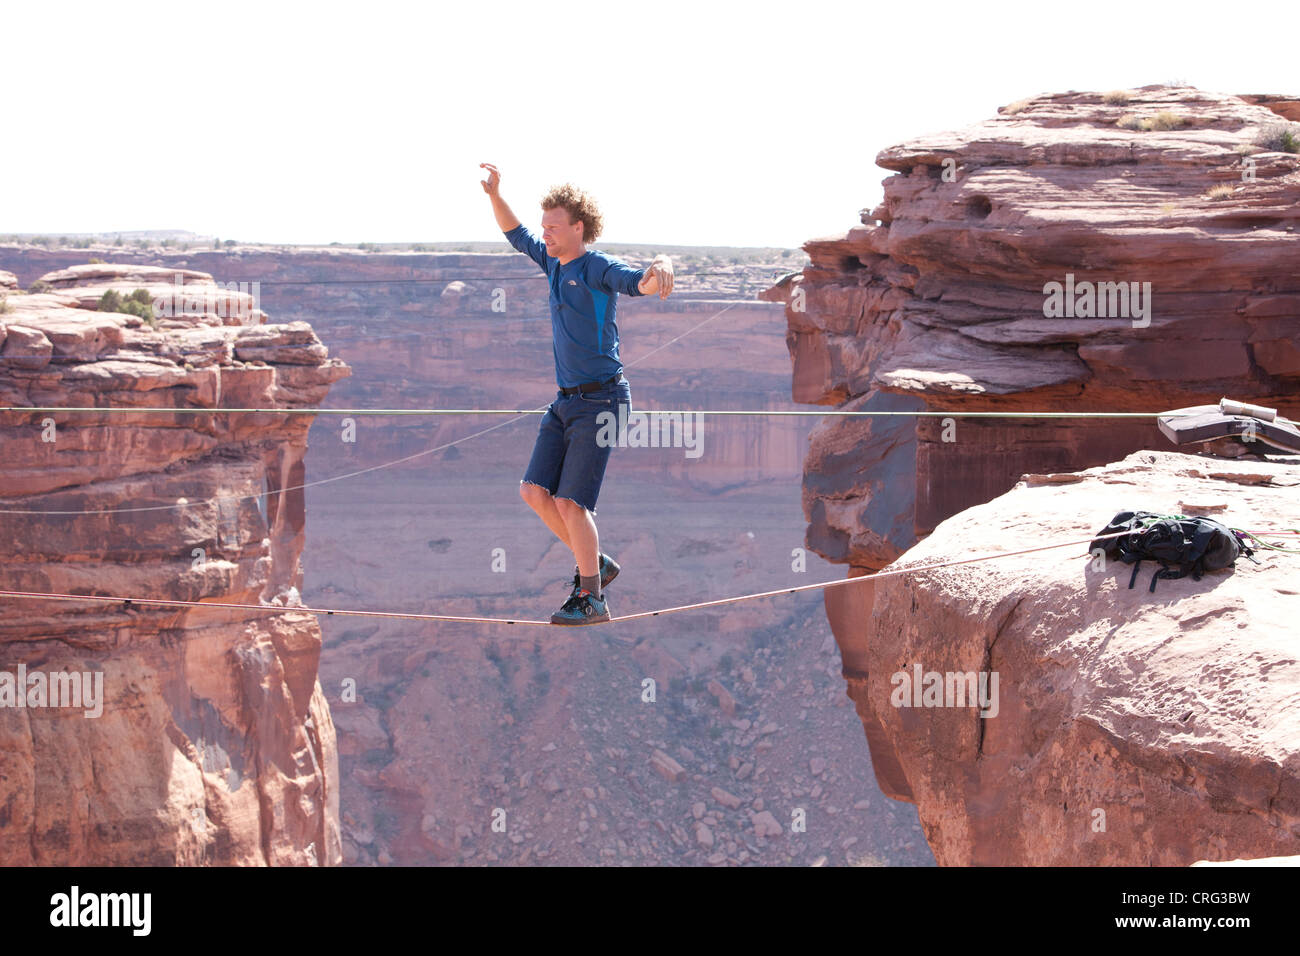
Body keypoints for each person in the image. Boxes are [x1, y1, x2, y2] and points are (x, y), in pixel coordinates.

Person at [480, 162, 674, 625]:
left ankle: (592, 599)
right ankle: (597, 565)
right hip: (566, 401)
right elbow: (515, 232)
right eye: (544, 225)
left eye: (554, 226)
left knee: (571, 503)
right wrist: (494, 195)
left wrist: (661, 264)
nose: (544, 233)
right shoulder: (551, 259)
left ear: (578, 227)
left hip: (603, 401)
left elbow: (637, 284)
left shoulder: (595, 266)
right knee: (533, 491)